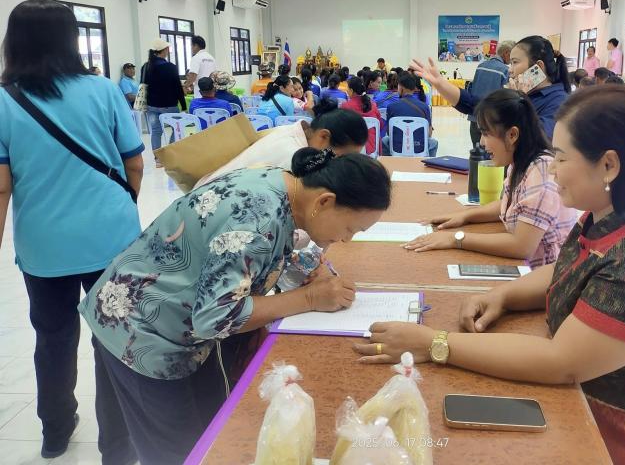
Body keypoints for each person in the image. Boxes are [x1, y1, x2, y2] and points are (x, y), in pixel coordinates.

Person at [354, 85, 625, 465]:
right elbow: (566, 269)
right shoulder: (604, 217)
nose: (552, 168)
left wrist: (435, 343)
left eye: (561, 157)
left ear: (608, 165)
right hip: (587, 409)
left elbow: (562, 362)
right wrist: (502, 296)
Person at [79, 149, 392, 465]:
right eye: (351, 229)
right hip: (140, 329)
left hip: (149, 308)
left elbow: (258, 255)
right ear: (324, 201)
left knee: (198, 432)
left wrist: (310, 268)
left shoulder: (283, 185)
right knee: (177, 452)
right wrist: (309, 298)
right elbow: (216, 317)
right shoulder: (255, 220)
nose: (347, 239)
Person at [0, 0, 144, 462]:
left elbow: (1, 187)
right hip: (111, 238)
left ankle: (55, 432)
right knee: (114, 340)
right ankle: (118, 447)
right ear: (71, 40)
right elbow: (134, 162)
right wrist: (121, 207)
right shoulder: (103, 90)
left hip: (44, 246)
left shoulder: (3, 100)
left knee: (53, 338)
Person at [405, 89, 576, 267]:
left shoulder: (541, 172)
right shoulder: (521, 162)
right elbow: (509, 203)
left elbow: (522, 246)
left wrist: (455, 238)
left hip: (546, 277)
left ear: (512, 135)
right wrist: (464, 216)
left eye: (486, 133)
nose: (481, 142)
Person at [410, 35, 570, 139]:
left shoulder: (559, 101)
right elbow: (475, 104)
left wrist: (518, 100)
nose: (510, 69)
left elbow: (539, 138)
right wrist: (440, 83)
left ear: (538, 67)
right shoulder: (525, 94)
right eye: (510, 62)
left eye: (515, 62)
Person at [195, 99, 369, 187]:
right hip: (207, 209)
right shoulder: (292, 159)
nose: (338, 163)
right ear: (323, 136)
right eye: (339, 157)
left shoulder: (294, 131)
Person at [142, 39, 186, 166]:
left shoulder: (146, 66)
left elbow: (143, 85)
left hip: (151, 106)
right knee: (176, 128)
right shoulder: (170, 67)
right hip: (169, 105)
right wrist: (183, 105)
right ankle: (169, 155)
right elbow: (178, 88)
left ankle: (158, 160)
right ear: (165, 50)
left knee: (156, 131)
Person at [465, 40, 513, 145]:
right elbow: (506, 98)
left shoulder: (480, 66)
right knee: (490, 153)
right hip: (492, 121)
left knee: (477, 150)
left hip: (475, 117)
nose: (512, 60)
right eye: (512, 56)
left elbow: (473, 88)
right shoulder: (505, 71)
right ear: (506, 53)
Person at [382, 72, 439, 156]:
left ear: (401, 87)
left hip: (397, 147)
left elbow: (389, 132)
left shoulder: (391, 107)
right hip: (419, 148)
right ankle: (428, 161)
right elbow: (429, 133)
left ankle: (388, 162)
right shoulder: (424, 107)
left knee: (384, 140)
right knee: (433, 142)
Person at [341, 76, 382, 156]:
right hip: (373, 149)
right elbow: (379, 124)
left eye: (347, 88)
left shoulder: (345, 106)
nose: (346, 90)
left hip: (353, 149)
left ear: (351, 90)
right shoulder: (373, 104)